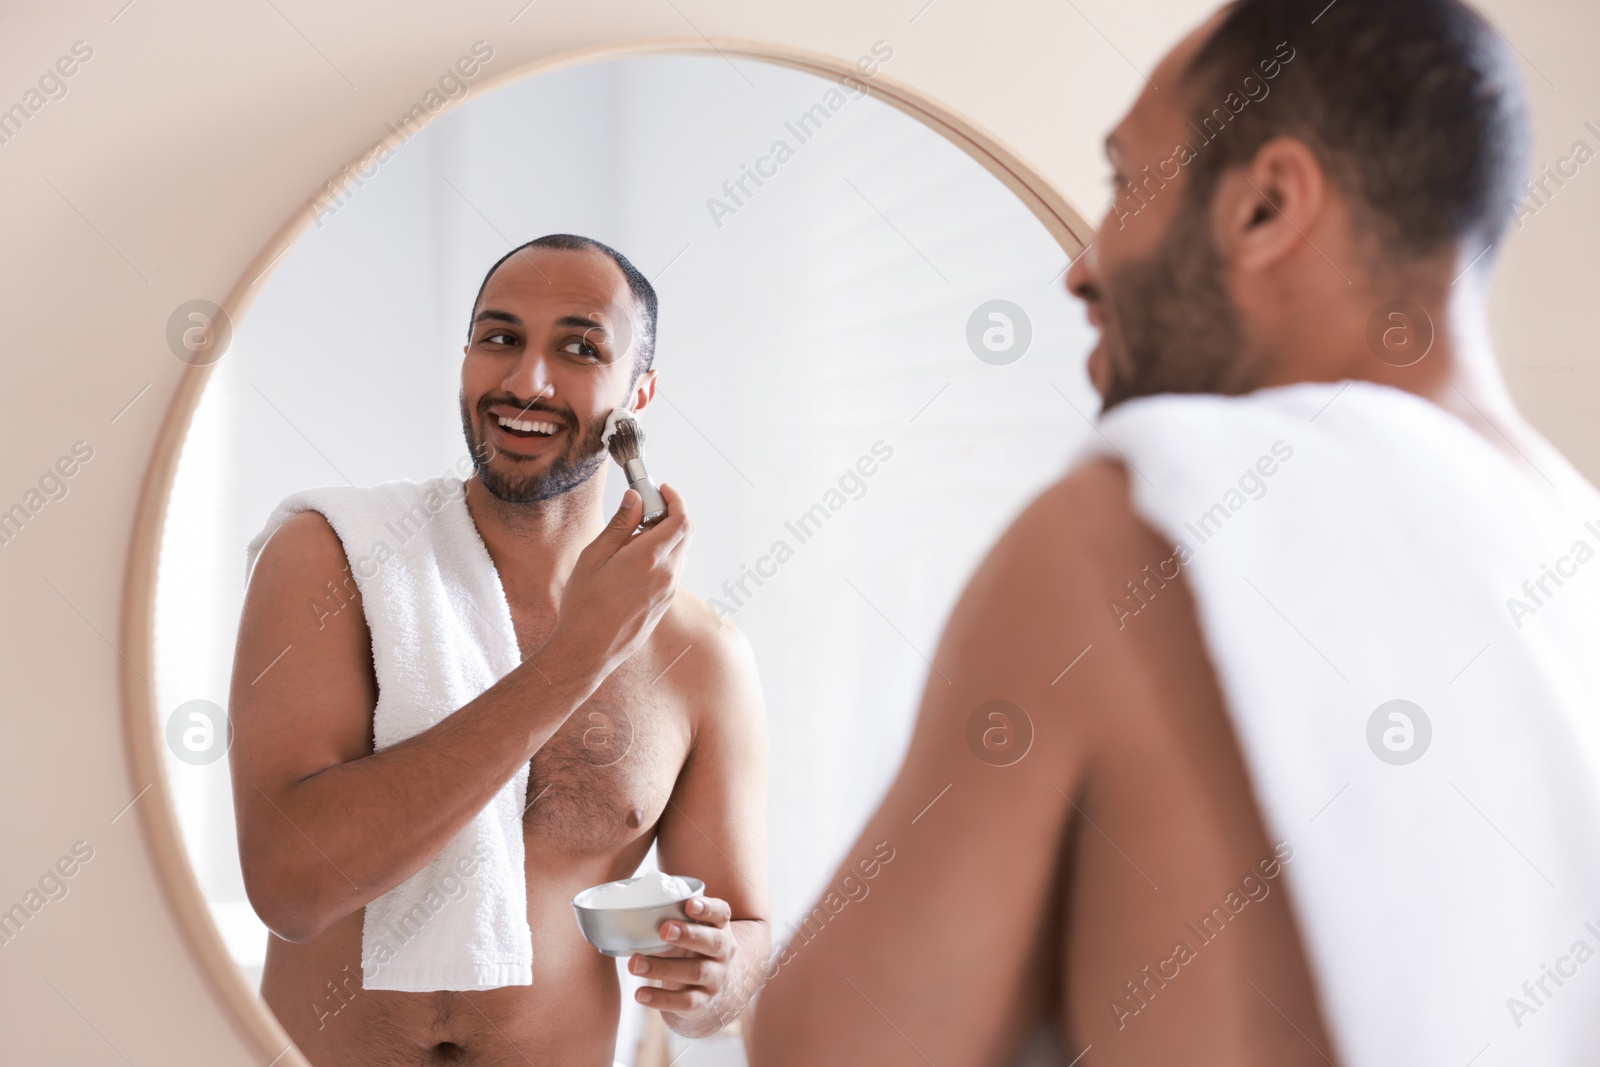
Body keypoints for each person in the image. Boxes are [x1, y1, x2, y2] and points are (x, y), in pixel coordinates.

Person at [750, 1, 1600, 1064]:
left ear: (1264, 205)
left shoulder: (1142, 515)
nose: (1081, 266)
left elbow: (833, 1051)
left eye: (1122, 182)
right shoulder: (1571, 554)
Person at [231, 234, 770, 1067]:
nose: (527, 381)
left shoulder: (701, 655)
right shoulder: (334, 557)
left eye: (580, 347)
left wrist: (718, 977)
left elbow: (742, 928)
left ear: (640, 392)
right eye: (500, 337)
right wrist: (576, 655)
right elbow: (290, 887)